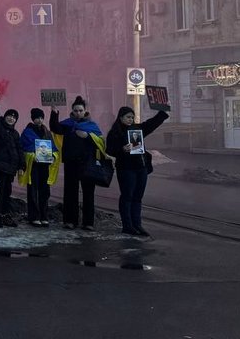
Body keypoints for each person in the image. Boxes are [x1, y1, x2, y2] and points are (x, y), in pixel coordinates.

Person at [106, 106, 169, 236]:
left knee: (138, 197)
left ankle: (137, 224)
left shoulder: (136, 129)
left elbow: (151, 124)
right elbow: (110, 150)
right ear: (121, 117)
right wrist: (122, 149)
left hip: (141, 168)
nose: (130, 120)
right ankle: (127, 225)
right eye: (128, 117)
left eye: (132, 117)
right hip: (126, 169)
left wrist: (162, 113)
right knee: (127, 196)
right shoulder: (115, 132)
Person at [50, 96, 104, 231]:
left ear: (85, 111)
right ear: (72, 111)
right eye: (75, 110)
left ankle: (88, 222)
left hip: (87, 163)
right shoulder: (68, 124)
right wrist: (54, 112)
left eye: (80, 110)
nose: (78, 113)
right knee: (70, 192)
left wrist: (88, 136)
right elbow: (55, 128)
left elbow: (101, 142)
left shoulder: (92, 126)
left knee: (88, 193)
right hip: (71, 162)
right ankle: (70, 220)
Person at [19, 108, 58, 227]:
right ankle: (34, 216)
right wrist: (31, 156)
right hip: (33, 166)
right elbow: (23, 149)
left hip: (45, 166)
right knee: (33, 191)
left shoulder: (47, 133)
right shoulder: (27, 132)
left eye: (41, 118)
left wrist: (53, 156)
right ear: (33, 119)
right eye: (37, 118)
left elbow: (54, 149)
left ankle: (44, 216)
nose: (40, 120)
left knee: (45, 191)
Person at [0, 95, 21, 228]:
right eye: (9, 115)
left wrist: (21, 165)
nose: (11, 118)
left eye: (14, 117)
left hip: (10, 169)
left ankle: (5, 215)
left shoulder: (15, 134)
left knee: (7, 193)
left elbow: (19, 150)